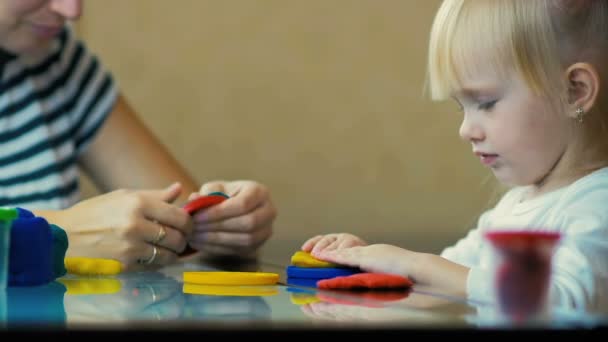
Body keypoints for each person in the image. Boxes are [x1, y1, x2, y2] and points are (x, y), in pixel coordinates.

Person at [302, 0, 608, 312]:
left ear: (575, 91)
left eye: (486, 102)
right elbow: (446, 275)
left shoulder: (597, 205)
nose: (466, 130)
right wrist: (370, 264)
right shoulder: (515, 205)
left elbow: (567, 301)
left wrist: (415, 264)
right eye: (461, 107)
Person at [0, 0, 276, 269]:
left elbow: (183, 230)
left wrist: (226, 225)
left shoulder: (56, 59)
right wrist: (54, 235)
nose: (72, 10)